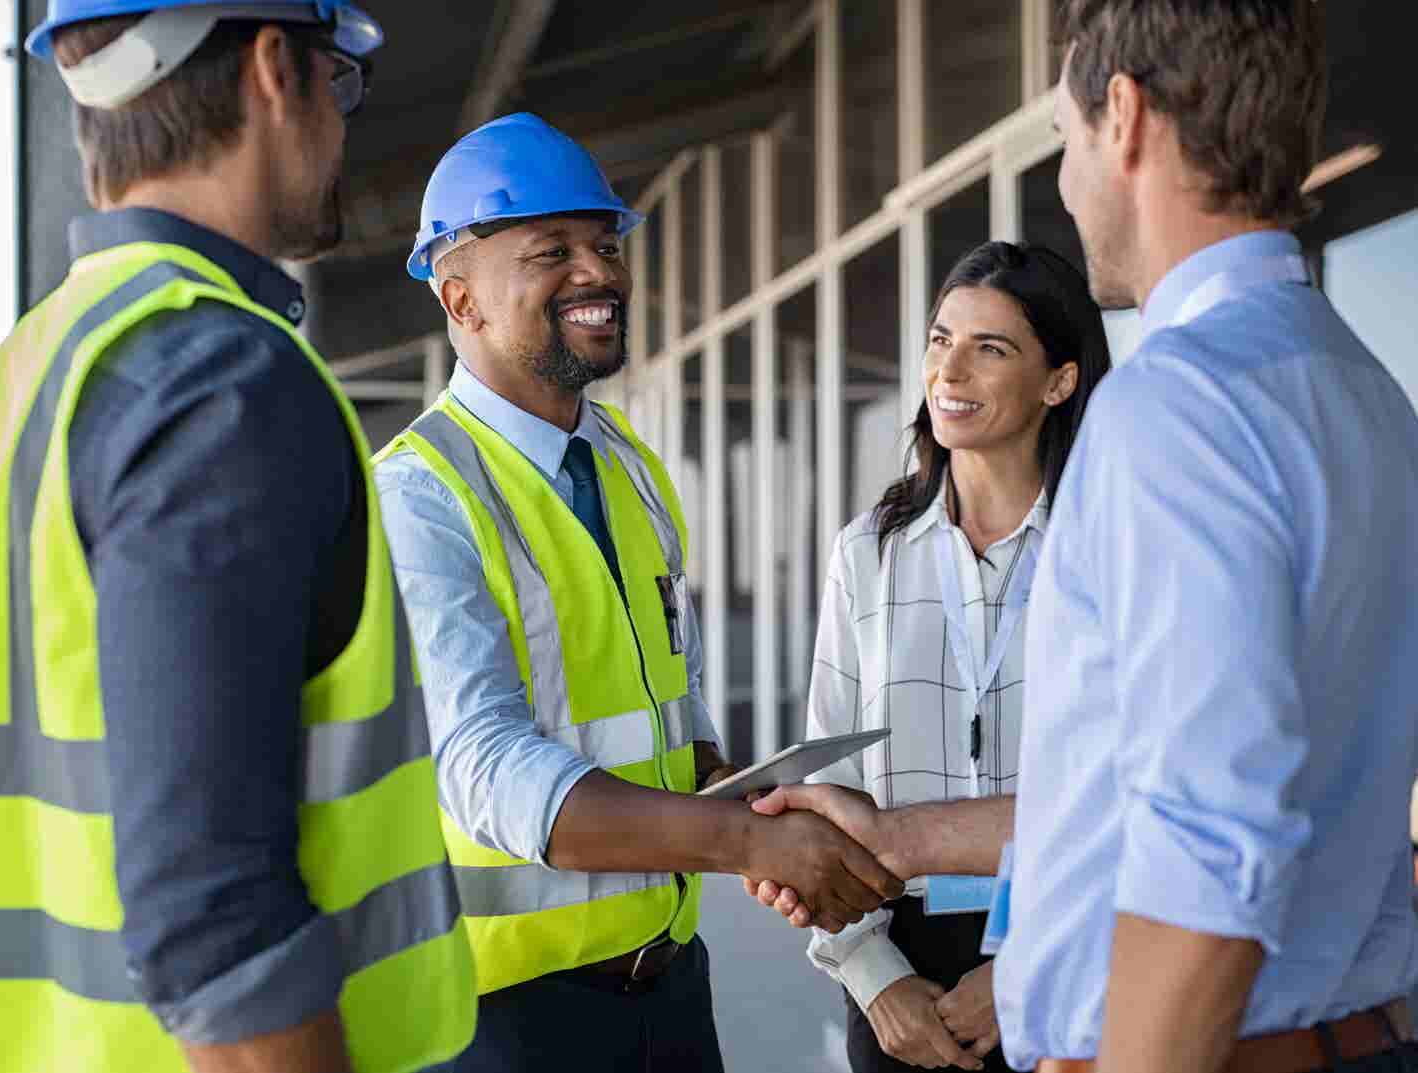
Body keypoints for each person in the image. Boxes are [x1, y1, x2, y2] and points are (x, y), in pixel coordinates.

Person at [758, 2, 1418, 1071]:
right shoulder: (1361, 391)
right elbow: (1143, 783)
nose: (1066, 179)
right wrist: (900, 840)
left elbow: (1207, 842)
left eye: (1064, 138)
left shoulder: (1178, 408)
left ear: (1124, 116)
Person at [0, 3, 477, 1072]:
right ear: (275, 68)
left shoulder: (16, 374)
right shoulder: (220, 379)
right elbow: (218, 927)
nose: (342, 125)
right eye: (338, 81)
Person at [373, 112, 904, 1073]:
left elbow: (671, 707)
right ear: (461, 298)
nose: (599, 272)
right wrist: (742, 844)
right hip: (503, 1024)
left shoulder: (627, 466)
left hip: (668, 989)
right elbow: (487, 771)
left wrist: (748, 799)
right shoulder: (419, 495)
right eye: (552, 251)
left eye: (605, 244)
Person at [798, 241, 1109, 1073]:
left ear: (1060, 381)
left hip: (1071, 954)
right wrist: (873, 976)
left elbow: (1130, 786)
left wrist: (1027, 968)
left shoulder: (1107, 548)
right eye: (941, 340)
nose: (950, 370)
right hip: (899, 965)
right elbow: (831, 782)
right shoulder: (869, 551)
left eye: (989, 348)